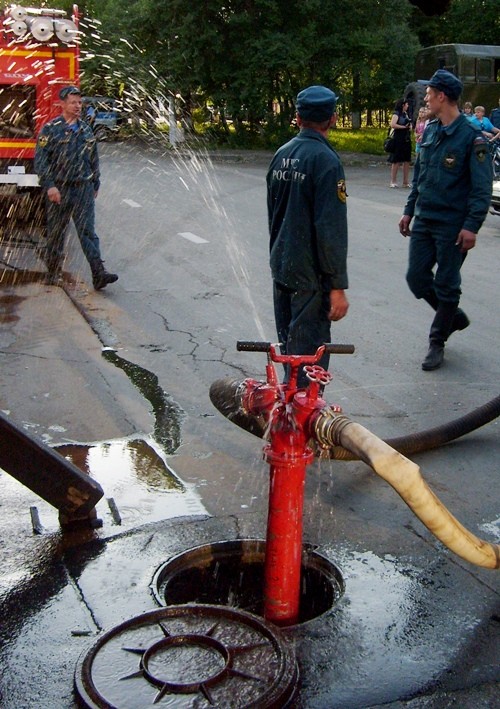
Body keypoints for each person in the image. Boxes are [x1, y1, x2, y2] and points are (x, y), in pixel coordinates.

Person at [398, 69, 492, 371]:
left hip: (453, 224)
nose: (425, 97)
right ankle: (453, 316)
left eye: (429, 93)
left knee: (447, 284)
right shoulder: (432, 130)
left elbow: (481, 188)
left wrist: (471, 226)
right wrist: (409, 209)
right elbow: (420, 177)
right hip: (425, 218)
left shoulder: (471, 137)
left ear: (442, 96)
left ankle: (437, 341)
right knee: (416, 278)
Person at [266, 85, 349, 388]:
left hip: (282, 269)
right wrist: (337, 286)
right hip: (311, 279)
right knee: (307, 364)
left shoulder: (280, 155)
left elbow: (273, 217)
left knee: (290, 352)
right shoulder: (327, 162)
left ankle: (287, 419)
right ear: (333, 119)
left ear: (298, 117)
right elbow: (331, 231)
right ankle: (300, 429)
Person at [34, 86, 118, 289]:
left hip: (83, 188)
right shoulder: (50, 129)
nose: (77, 106)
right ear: (62, 104)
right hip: (60, 189)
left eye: (80, 102)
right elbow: (41, 160)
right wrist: (50, 186)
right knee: (56, 232)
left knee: (87, 231)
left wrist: (95, 182)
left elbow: (93, 158)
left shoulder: (86, 129)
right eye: (73, 102)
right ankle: (53, 272)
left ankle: (98, 273)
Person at [388, 98, 412, 188]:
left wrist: (409, 126)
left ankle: (405, 182)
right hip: (398, 138)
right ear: (403, 105)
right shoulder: (396, 114)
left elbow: (409, 124)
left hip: (406, 138)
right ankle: (393, 181)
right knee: (396, 160)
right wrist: (403, 127)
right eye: (406, 104)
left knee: (407, 160)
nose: (408, 106)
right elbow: (393, 125)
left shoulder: (406, 114)